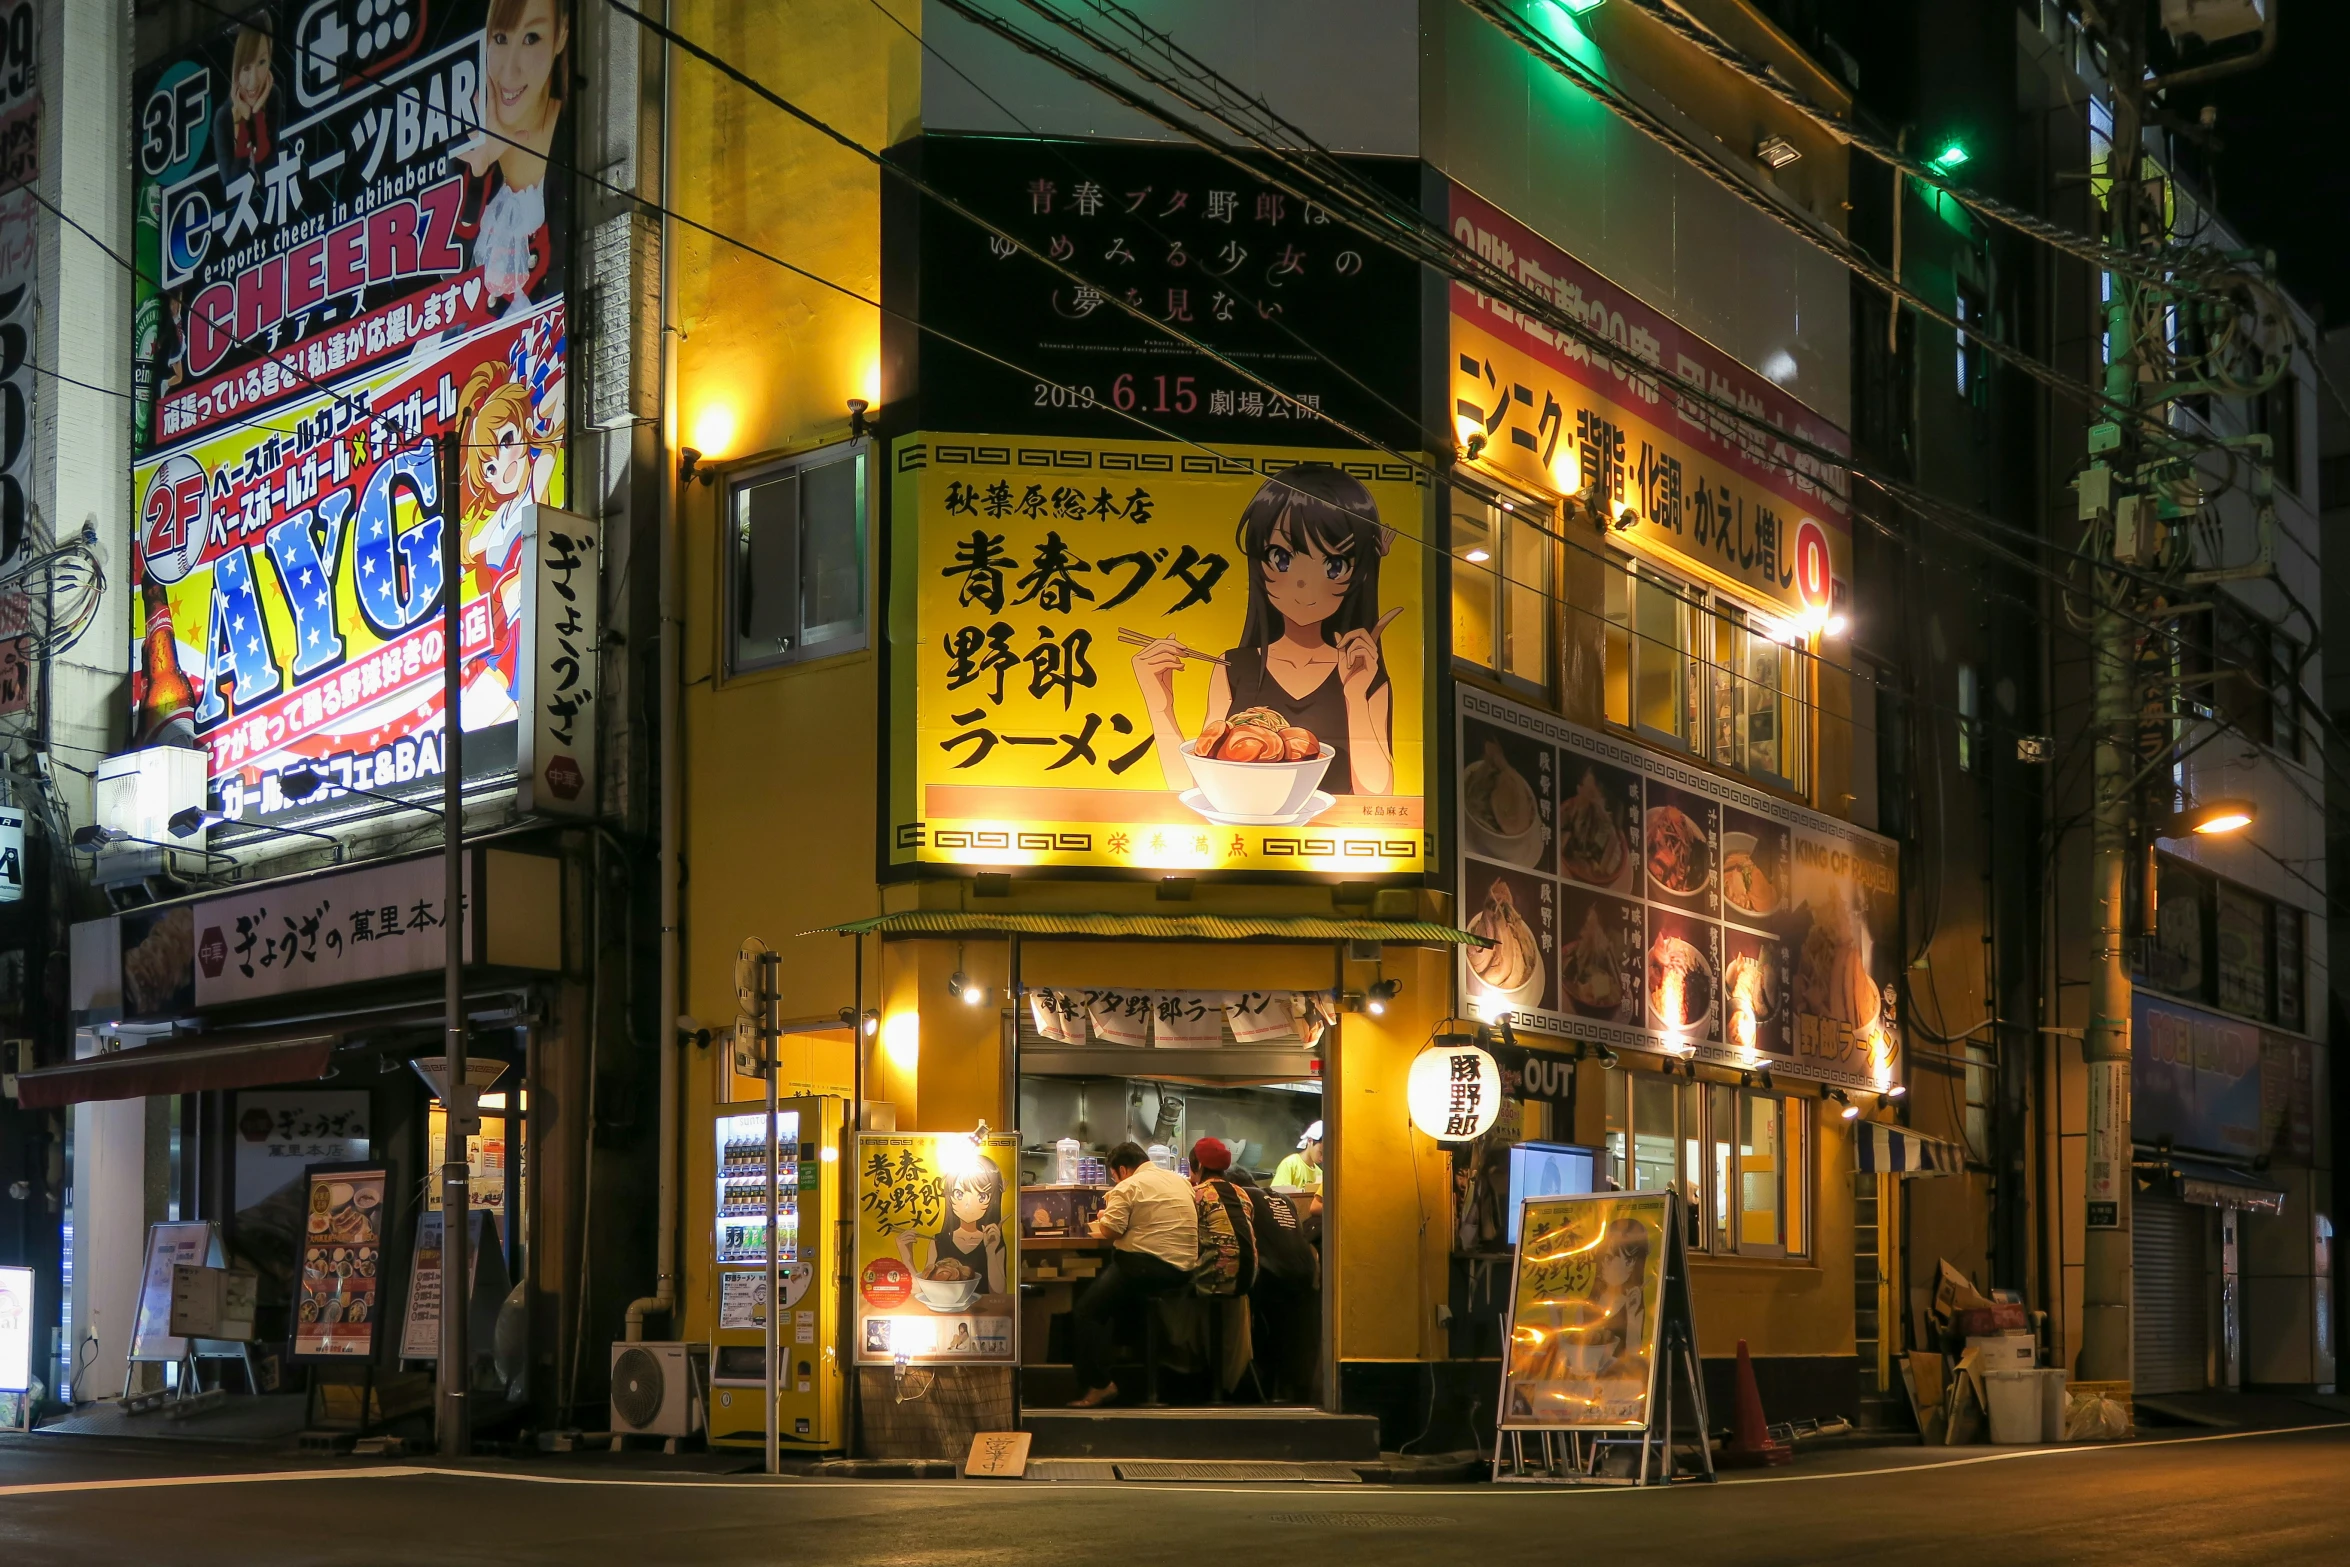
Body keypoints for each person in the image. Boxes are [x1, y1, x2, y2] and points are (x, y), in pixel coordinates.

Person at [1132, 465, 1399, 799]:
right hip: (1239, 837)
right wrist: (1160, 706)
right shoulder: (1234, 667)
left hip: (1332, 843)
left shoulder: (1364, 673)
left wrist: (1355, 698)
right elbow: (1197, 788)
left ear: (1358, 573)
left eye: (1334, 565)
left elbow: (1377, 796)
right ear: (1258, 561)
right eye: (1282, 557)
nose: (1305, 584)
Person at [458, 0, 573, 311]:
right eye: (500, 39)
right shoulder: (466, 155)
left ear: (561, 35)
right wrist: (478, 176)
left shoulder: (576, 139)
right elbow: (435, 292)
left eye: (531, 38)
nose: (510, 69)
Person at [1070, 1141, 1199, 1407]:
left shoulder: (1128, 1186)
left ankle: (1100, 1384)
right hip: (1184, 1271)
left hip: (1146, 1267)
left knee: (1087, 1311)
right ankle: (1136, 1377)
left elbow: (1112, 1231)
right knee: (1117, 1304)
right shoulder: (1179, 1181)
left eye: (1114, 1176)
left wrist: (1105, 1217)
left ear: (1122, 1170)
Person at [897, 1161, 1007, 1297]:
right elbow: (922, 1291)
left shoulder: (994, 1241)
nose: (968, 1203)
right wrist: (906, 1256)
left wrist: (990, 1252)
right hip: (941, 1313)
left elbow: (999, 1294)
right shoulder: (938, 1241)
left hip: (983, 1314)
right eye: (959, 1194)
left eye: (982, 1196)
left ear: (993, 1199)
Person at [1272, 1121, 1324, 1192]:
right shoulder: (1290, 1164)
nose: (1322, 1158)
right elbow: (1278, 1194)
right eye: (1321, 1152)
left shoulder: (1319, 1173)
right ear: (1310, 1141)